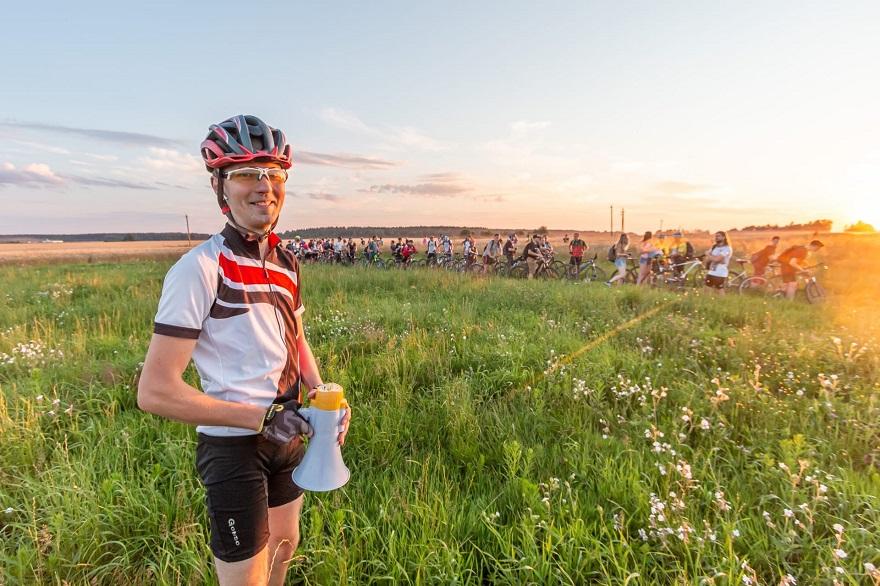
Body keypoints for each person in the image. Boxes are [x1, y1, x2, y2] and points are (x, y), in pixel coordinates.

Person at [137, 115, 351, 586]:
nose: (264, 186)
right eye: (246, 174)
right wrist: (261, 418)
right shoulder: (200, 268)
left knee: (284, 547)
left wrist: (322, 392)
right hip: (234, 447)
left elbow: (296, 337)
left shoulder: (286, 262)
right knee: (246, 577)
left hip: (289, 433)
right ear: (220, 187)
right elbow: (154, 392)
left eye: (274, 174)